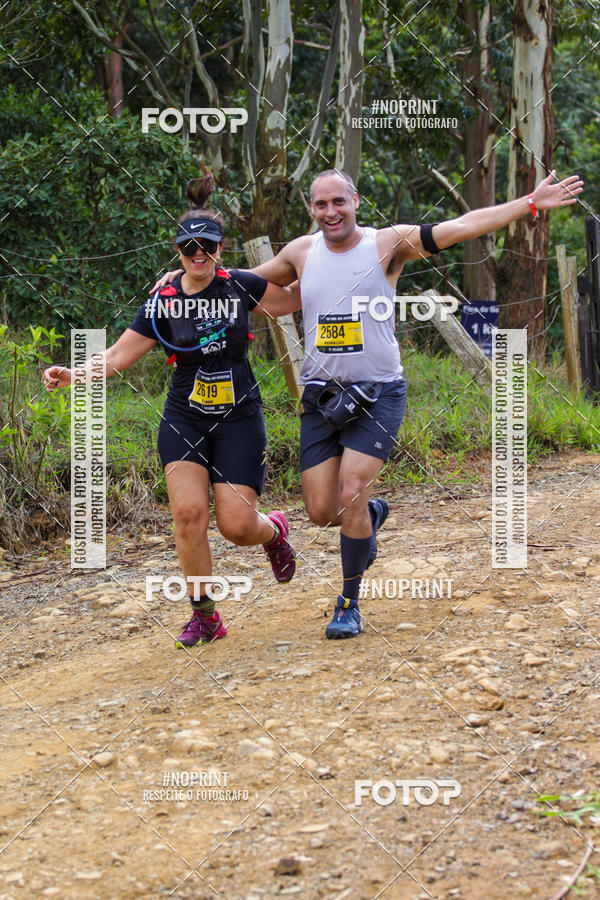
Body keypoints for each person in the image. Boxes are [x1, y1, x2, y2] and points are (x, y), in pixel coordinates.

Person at [153, 166, 584, 640]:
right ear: (311, 208)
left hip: (378, 392)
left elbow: (461, 226)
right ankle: (370, 516)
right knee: (321, 511)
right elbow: (229, 282)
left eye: (339, 201)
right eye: (321, 204)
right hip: (320, 395)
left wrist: (529, 203)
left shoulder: (387, 244)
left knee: (351, 490)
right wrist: (183, 274)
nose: (331, 211)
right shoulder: (300, 252)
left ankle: (349, 603)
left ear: (355, 201)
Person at [43, 172, 299, 649]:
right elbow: (117, 357)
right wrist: (73, 373)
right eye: (189, 247)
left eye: (208, 246)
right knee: (188, 515)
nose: (198, 254)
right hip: (185, 415)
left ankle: (273, 532)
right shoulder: (162, 300)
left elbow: (295, 300)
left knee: (237, 526)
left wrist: (323, 255)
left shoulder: (242, 286)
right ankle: (205, 616)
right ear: (177, 250)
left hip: (239, 417)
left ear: (221, 248)